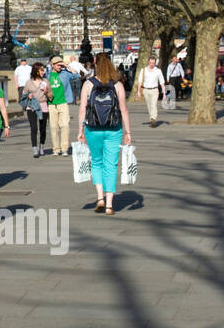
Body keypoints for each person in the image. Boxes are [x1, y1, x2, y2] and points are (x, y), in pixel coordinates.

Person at [76, 53, 132, 216]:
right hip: (113, 129)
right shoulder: (117, 85)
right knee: (111, 165)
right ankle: (109, 205)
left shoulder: (88, 84)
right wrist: (128, 132)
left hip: (93, 129)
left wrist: (80, 130)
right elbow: (124, 110)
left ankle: (100, 197)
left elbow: (82, 110)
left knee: (97, 162)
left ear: (95, 64)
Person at [46, 56, 75, 156]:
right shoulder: (47, 75)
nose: (59, 66)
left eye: (60, 64)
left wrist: (66, 66)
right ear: (52, 65)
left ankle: (64, 149)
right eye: (58, 65)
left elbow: (77, 76)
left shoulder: (65, 74)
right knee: (53, 127)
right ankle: (56, 149)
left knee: (65, 126)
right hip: (51, 104)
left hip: (63, 102)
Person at [21, 62, 50, 158]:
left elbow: (51, 96)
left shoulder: (45, 81)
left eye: (43, 70)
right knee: (33, 128)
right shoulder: (29, 82)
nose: (43, 72)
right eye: (41, 70)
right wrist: (28, 96)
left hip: (43, 105)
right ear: (36, 71)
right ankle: (34, 149)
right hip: (32, 107)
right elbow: (23, 94)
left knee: (43, 128)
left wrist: (46, 92)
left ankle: (41, 147)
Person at [135, 56, 166, 127]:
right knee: (149, 106)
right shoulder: (143, 70)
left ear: (155, 63)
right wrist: (139, 91)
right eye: (151, 63)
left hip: (154, 90)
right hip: (146, 90)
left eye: (153, 63)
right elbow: (139, 81)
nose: (152, 64)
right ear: (148, 62)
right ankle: (151, 118)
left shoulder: (158, 71)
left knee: (153, 104)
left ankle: (153, 119)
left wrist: (164, 93)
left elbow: (162, 82)